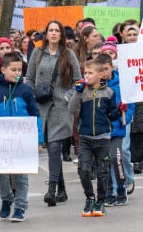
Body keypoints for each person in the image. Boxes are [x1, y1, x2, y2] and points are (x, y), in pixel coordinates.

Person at [0, 53, 44, 222]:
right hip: (0, 140)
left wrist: (39, 140)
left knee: (20, 175)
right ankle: (6, 197)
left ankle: (20, 207)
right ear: (3, 70)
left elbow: (35, 115)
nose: (17, 73)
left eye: (20, 70)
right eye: (13, 70)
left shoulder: (25, 90)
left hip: (21, 141)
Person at [26, 20, 81, 207]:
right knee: (52, 148)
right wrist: (31, 97)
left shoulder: (69, 55)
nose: (54, 33)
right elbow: (29, 78)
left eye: (57, 31)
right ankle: (63, 190)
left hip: (60, 106)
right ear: (46, 34)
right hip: (41, 106)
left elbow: (78, 81)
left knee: (56, 146)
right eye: (51, 30)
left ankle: (51, 189)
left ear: (62, 35)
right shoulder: (37, 53)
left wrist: (67, 97)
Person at [68, 60, 125, 217]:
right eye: (85, 73)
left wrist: (120, 110)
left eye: (90, 73)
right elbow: (71, 109)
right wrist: (77, 92)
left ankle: (101, 200)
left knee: (102, 171)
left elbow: (111, 115)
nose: (87, 76)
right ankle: (89, 197)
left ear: (100, 75)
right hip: (85, 137)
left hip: (103, 137)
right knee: (84, 170)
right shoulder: (83, 92)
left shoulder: (109, 93)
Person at [94, 49, 135, 206]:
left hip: (117, 128)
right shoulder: (96, 87)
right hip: (102, 131)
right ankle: (109, 191)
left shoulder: (121, 85)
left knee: (116, 157)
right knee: (104, 161)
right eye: (100, 70)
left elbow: (130, 104)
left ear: (112, 67)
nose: (103, 72)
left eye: (106, 68)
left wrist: (127, 116)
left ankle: (121, 187)